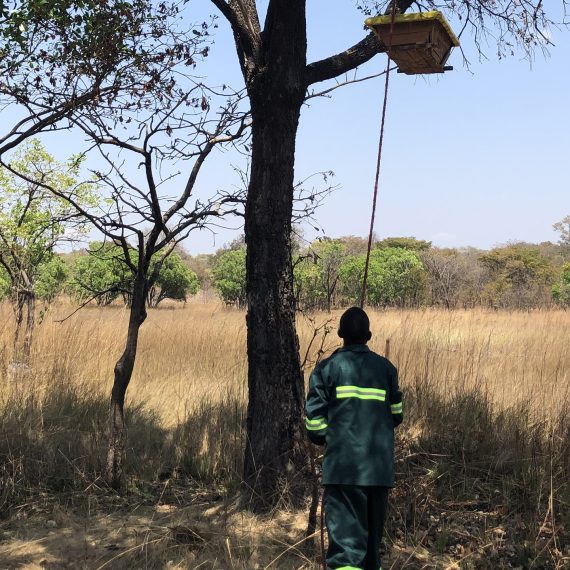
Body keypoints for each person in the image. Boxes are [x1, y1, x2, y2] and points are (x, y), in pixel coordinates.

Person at [305, 306, 403, 570]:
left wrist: (335, 439)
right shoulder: (387, 369)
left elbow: (314, 425)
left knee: (346, 554)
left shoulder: (326, 370)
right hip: (379, 473)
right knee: (371, 553)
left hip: (343, 472)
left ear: (340, 334)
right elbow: (397, 415)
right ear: (369, 335)